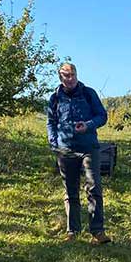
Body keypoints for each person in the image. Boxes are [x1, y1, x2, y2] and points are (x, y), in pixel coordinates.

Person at [47, 62, 111, 244]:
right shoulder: (55, 98)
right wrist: (54, 144)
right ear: (61, 78)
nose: (71, 79)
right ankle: (73, 231)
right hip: (66, 149)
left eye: (73, 75)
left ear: (77, 75)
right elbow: (51, 122)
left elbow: (102, 116)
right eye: (66, 76)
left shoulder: (88, 93)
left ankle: (97, 232)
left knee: (94, 187)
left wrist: (89, 125)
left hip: (88, 147)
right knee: (70, 191)